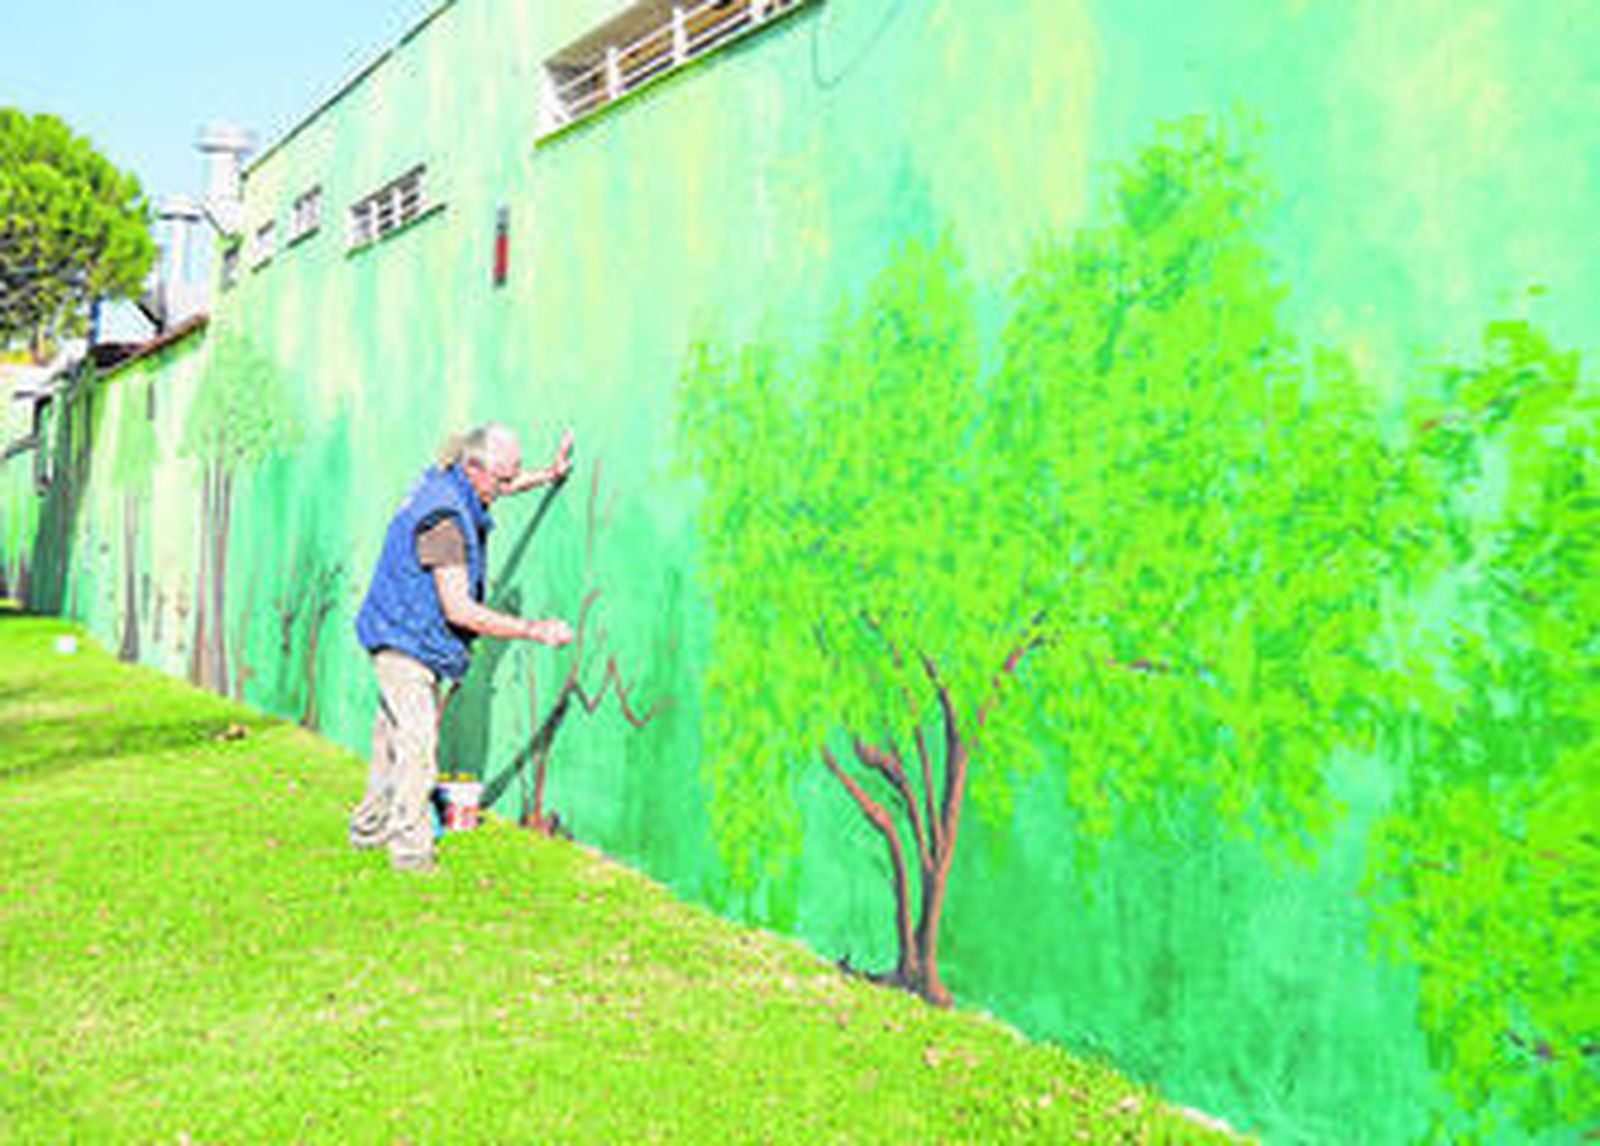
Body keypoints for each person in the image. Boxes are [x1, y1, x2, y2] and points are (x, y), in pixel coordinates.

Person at [349, 422, 575, 872]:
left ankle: (369, 829)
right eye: (503, 478)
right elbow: (460, 610)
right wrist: (534, 630)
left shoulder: (453, 481)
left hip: (400, 627)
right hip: (404, 638)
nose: (507, 486)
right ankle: (411, 854)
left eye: (513, 476)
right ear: (475, 469)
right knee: (418, 743)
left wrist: (548, 474)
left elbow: (503, 486)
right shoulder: (445, 521)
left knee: (391, 741)